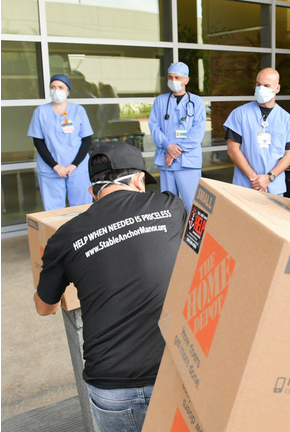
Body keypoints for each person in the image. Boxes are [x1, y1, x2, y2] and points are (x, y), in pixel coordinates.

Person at [33, 141, 188, 432]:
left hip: (111, 386)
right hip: (174, 370)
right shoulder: (170, 205)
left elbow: (44, 308)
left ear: (92, 191)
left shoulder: (64, 238)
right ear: (139, 180)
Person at [223, 67, 290, 195]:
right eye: (258, 84)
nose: (261, 89)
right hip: (244, 186)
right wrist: (254, 179)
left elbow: (289, 156)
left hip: (274, 188)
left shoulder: (287, 119)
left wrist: (268, 178)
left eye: (266, 85)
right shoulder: (239, 114)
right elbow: (232, 150)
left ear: (277, 88)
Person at [27, 74, 94, 210]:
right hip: (50, 169)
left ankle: (81, 232)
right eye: (53, 87)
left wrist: (74, 164)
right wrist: (55, 166)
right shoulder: (40, 112)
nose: (56, 90)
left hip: (77, 168)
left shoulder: (78, 110)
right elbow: (38, 142)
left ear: (67, 91)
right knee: (53, 211)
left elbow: (87, 140)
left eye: (60, 87)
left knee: (82, 209)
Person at [149, 62, 207, 211]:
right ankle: (171, 234)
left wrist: (175, 152)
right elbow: (154, 126)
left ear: (186, 80)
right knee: (167, 204)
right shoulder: (160, 101)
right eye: (170, 77)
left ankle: (193, 234)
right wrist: (167, 146)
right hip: (166, 159)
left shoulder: (197, 102)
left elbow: (198, 132)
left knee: (192, 202)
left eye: (177, 77)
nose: (173, 80)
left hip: (188, 162)